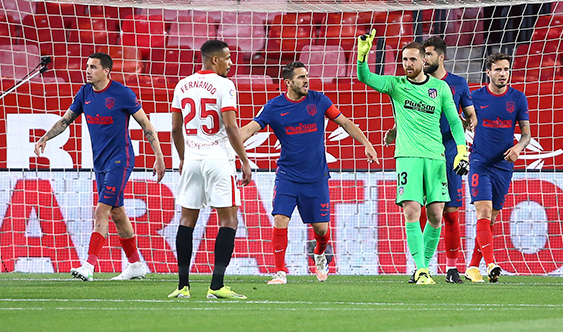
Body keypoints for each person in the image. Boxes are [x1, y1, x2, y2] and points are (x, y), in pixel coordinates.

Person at [240, 61, 378, 285]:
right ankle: (280, 272)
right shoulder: (274, 107)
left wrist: (366, 143)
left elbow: (345, 122)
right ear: (288, 82)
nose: (306, 80)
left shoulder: (319, 100)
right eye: (301, 77)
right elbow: (248, 129)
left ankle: (320, 254)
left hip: (316, 178)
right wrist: (228, 144)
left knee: (321, 229)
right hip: (287, 175)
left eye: (306, 76)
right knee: (280, 218)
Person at [34, 52, 166, 281]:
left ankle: (89, 265)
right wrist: (45, 137)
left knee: (101, 209)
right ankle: (135, 265)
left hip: (120, 160)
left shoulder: (122, 93)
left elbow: (146, 124)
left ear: (106, 71)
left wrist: (159, 155)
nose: (87, 70)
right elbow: (65, 120)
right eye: (87, 66)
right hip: (100, 163)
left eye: (93, 67)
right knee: (117, 212)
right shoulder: (84, 93)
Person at [357, 30, 468, 285]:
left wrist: (461, 151)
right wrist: (363, 57)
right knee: (411, 212)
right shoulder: (395, 85)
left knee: (436, 215)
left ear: (423, 62)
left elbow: (454, 121)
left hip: (436, 157)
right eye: (404, 60)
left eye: (412, 60)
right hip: (407, 156)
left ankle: (424, 267)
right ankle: (420, 269)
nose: (407, 64)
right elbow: (365, 78)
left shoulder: (440, 88)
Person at [384, 36, 477, 284]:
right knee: (416, 210)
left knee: (448, 212)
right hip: (419, 151)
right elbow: (412, 115)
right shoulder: (408, 85)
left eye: (428, 54)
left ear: (438, 57)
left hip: (446, 153)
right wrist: (397, 129)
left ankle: (451, 267)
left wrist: (463, 145)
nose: (423, 59)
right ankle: (422, 267)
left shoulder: (456, 84)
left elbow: (467, 117)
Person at [168, 39, 252, 300]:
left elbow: (174, 129)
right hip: (218, 159)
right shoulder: (225, 85)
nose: (231, 62)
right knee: (228, 220)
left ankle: (182, 286)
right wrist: (245, 161)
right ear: (214, 59)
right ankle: (216, 286)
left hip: (192, 159)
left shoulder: (182, 84)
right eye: (227, 58)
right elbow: (230, 127)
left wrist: (183, 158)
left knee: (186, 220)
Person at [464, 52, 530, 283]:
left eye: (506, 69)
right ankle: (491, 263)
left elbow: (526, 135)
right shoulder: (474, 97)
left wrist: (518, 148)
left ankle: (472, 266)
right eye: (498, 70)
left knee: (491, 219)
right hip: (480, 163)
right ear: (488, 72)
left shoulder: (518, 98)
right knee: (483, 211)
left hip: (503, 166)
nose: (503, 74)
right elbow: (462, 122)